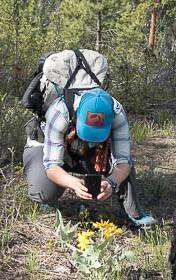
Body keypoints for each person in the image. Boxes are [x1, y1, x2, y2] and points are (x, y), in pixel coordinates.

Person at [22, 51, 157, 227]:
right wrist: (74, 183)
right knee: (43, 191)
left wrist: (110, 182)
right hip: (51, 148)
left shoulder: (116, 112)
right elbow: (51, 166)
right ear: (77, 116)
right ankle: (50, 198)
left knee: (126, 166)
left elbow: (123, 161)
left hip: (87, 150)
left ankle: (131, 211)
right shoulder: (59, 112)